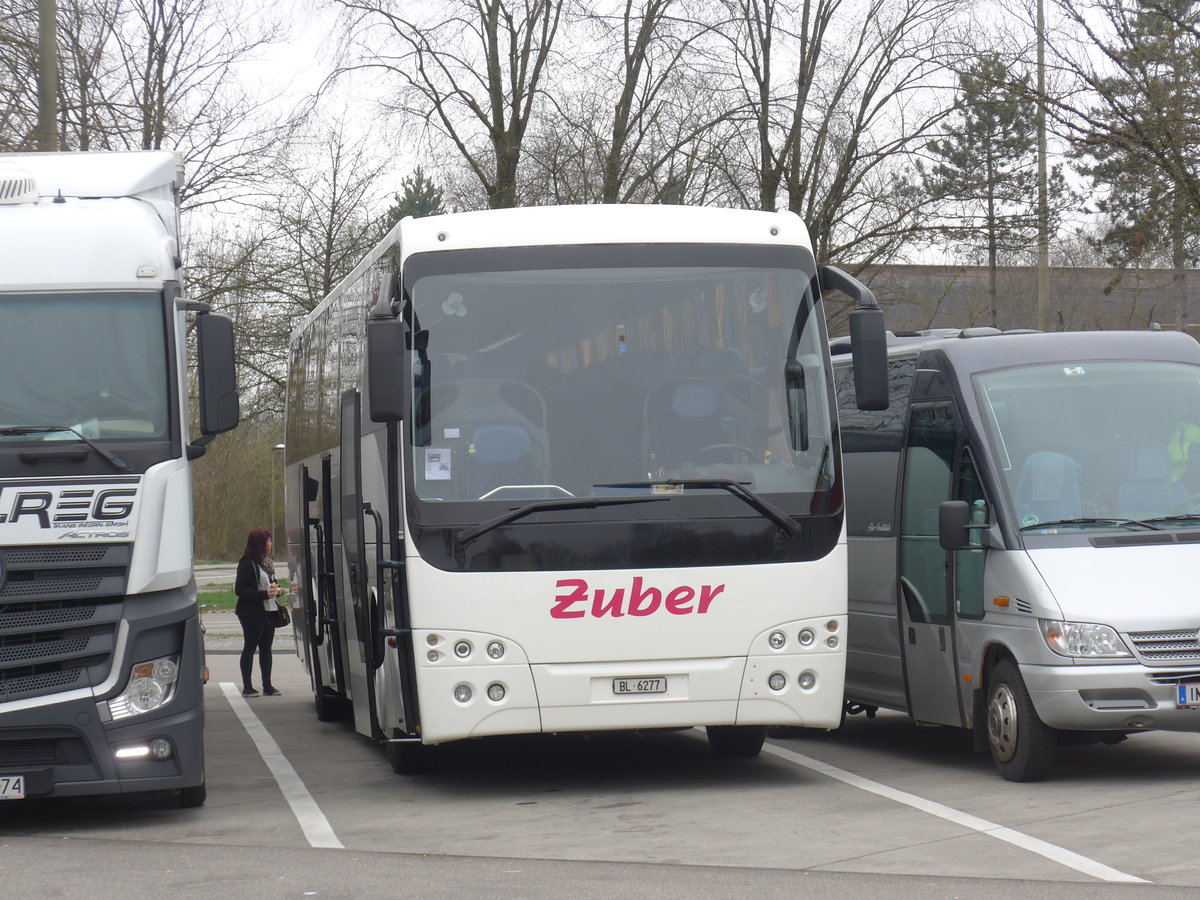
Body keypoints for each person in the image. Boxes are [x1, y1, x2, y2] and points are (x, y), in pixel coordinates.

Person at [234, 528, 283, 697]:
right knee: (250, 646)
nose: (271, 544)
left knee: (266, 648)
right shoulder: (246, 563)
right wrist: (263, 594)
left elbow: (272, 582)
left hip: (269, 610)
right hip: (251, 612)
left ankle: (267, 685)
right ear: (260, 544)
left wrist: (279, 590)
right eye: (268, 541)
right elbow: (239, 590)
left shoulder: (266, 563)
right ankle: (247, 686)